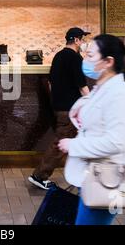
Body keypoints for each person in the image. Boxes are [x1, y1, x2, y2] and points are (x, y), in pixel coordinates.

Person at [58, 34, 125, 225]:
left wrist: (74, 145)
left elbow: (116, 142)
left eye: (91, 55)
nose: (84, 60)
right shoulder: (102, 89)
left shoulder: (119, 94)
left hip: (106, 181)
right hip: (91, 177)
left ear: (108, 61)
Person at [28, 27, 90, 190]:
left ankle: (82, 174)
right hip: (70, 109)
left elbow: (51, 82)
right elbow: (81, 85)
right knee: (60, 143)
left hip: (60, 106)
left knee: (74, 141)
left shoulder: (58, 56)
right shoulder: (75, 58)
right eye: (82, 39)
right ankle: (39, 176)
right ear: (76, 40)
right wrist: (92, 101)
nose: (84, 43)